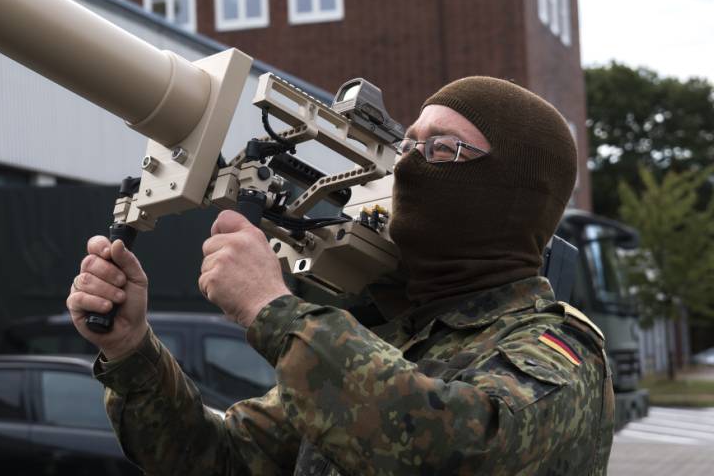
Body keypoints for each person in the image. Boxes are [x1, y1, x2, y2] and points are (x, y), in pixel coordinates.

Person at [66, 76, 615, 475]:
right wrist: (131, 349)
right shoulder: (391, 337)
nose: (408, 164)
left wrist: (272, 309)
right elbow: (219, 457)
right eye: (409, 144)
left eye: (441, 148)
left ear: (514, 196)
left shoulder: (557, 350)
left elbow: (455, 454)